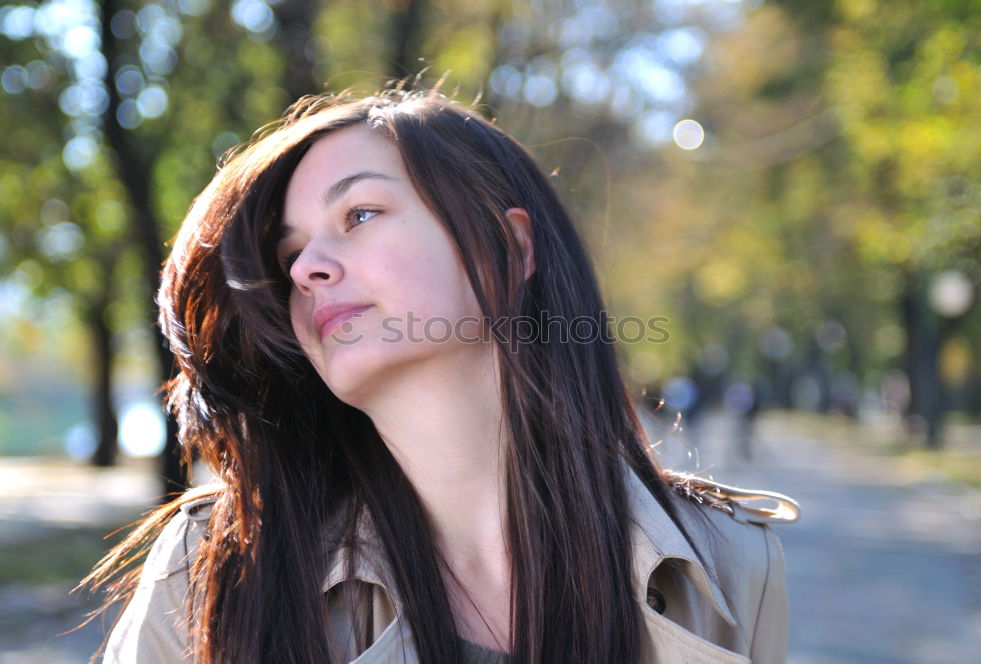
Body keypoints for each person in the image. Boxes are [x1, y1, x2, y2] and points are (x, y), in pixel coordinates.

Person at [83, 87, 800, 664]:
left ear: (509, 248)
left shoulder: (728, 561)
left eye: (359, 214)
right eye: (289, 253)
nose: (306, 269)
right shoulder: (217, 566)